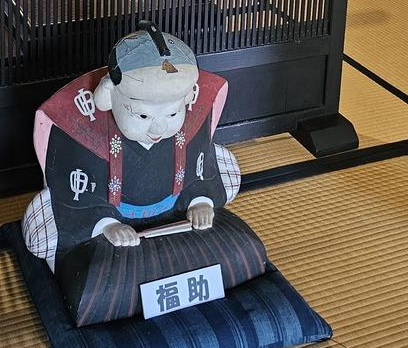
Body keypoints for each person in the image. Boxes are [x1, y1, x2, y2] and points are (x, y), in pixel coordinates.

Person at [22, 23, 262, 326]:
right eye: (144, 115)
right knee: (101, 285)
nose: (158, 127)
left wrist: (200, 201)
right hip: (112, 231)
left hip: (178, 220)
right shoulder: (85, 132)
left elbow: (201, 168)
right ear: (110, 97)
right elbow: (74, 196)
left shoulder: (189, 122)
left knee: (242, 251)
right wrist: (107, 225)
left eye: (172, 113)